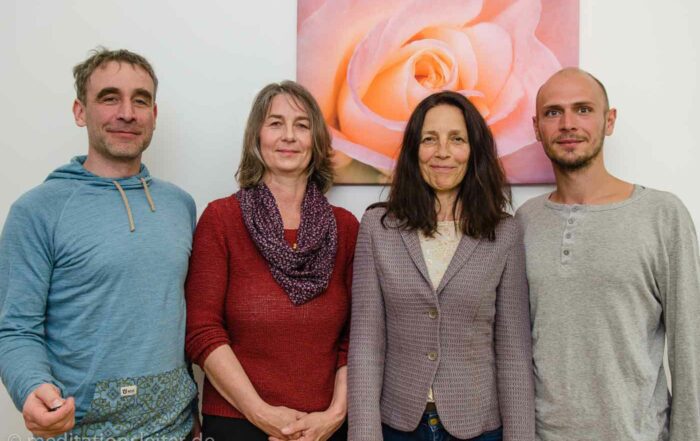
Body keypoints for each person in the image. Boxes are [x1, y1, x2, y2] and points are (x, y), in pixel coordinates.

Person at [0, 48, 197, 439]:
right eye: (110, 98)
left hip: (176, 429)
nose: (127, 112)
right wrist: (32, 389)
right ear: (79, 112)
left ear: (153, 116)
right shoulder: (37, 210)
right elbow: (16, 329)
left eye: (141, 100)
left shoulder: (180, 205)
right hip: (80, 430)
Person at [516, 67, 700, 441]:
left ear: (609, 120)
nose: (568, 124)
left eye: (583, 109)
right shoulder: (524, 221)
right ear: (537, 128)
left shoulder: (662, 214)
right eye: (553, 112)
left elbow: (689, 348)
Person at [348, 91, 535, 441]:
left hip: (478, 427)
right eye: (429, 139)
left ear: (474, 151)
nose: (443, 152)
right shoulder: (378, 227)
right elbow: (366, 345)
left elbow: (513, 354)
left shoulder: (504, 233)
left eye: (457, 139)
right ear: (413, 151)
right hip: (398, 426)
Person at [185, 80, 358, 441]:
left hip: (325, 429)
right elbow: (202, 330)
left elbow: (356, 336)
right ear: (256, 137)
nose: (289, 136)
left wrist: (334, 414)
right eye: (275, 123)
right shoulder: (222, 219)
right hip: (238, 423)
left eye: (302, 125)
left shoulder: (345, 228)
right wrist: (262, 414)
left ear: (317, 141)